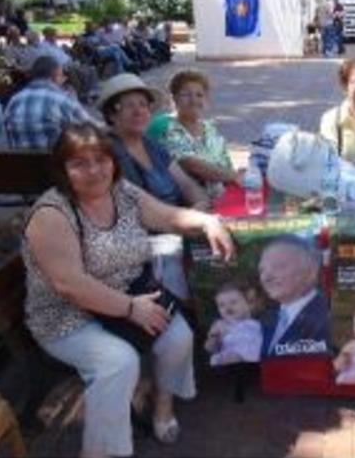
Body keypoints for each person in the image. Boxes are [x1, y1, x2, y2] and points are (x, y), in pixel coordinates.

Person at [22, 123, 234, 457]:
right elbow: (69, 285)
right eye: (79, 163)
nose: (93, 170)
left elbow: (167, 216)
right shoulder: (51, 213)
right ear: (62, 170)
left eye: (100, 159)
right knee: (118, 363)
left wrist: (207, 221)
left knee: (178, 336)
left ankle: (163, 404)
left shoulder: (122, 192)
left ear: (113, 160)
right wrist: (131, 308)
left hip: (126, 297)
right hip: (67, 316)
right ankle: (104, 451)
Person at [96, 73, 209, 209]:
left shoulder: (151, 145)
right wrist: (186, 219)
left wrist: (200, 203)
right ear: (111, 115)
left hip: (181, 219)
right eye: (129, 105)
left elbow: (186, 183)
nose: (138, 111)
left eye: (143, 104)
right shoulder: (108, 152)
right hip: (153, 226)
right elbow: (135, 208)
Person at [153, 70, 239, 201]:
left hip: (220, 195)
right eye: (186, 95)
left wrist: (235, 175)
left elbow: (225, 163)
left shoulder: (209, 128)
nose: (194, 100)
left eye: (199, 95)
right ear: (174, 98)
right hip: (188, 202)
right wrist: (235, 176)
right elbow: (192, 165)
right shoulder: (167, 127)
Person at [258, 234, 330, 358]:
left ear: (311, 271)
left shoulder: (328, 318)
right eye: (262, 270)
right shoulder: (263, 321)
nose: (266, 277)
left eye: (278, 266)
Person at [5, 56, 98, 149]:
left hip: (20, 162)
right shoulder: (62, 99)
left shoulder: (14, 101)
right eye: (62, 76)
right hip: (54, 161)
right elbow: (93, 128)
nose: (63, 80)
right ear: (55, 75)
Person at [205, 283, 262, 366]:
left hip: (254, 357)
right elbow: (209, 348)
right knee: (231, 358)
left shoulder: (255, 323)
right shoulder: (220, 324)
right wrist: (214, 336)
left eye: (233, 302)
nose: (228, 307)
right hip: (230, 358)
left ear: (247, 304)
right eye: (221, 305)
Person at [40, 27, 99, 104]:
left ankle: (93, 92)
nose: (55, 36)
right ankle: (83, 95)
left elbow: (63, 55)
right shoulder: (44, 46)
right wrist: (63, 65)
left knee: (91, 69)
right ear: (47, 35)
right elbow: (49, 59)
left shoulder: (54, 45)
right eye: (53, 35)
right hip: (60, 67)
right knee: (77, 72)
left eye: (54, 35)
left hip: (70, 63)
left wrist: (70, 55)